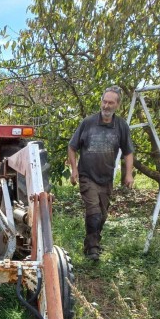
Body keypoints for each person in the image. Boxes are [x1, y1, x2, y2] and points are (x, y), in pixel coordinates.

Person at [67, 86, 134, 260]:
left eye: (111, 102)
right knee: (94, 212)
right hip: (87, 176)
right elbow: (72, 147)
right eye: (104, 101)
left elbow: (128, 152)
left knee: (102, 216)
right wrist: (74, 170)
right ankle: (93, 249)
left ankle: (91, 242)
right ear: (101, 102)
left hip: (106, 178)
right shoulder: (88, 123)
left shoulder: (121, 126)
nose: (106, 106)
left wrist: (128, 174)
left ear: (117, 105)